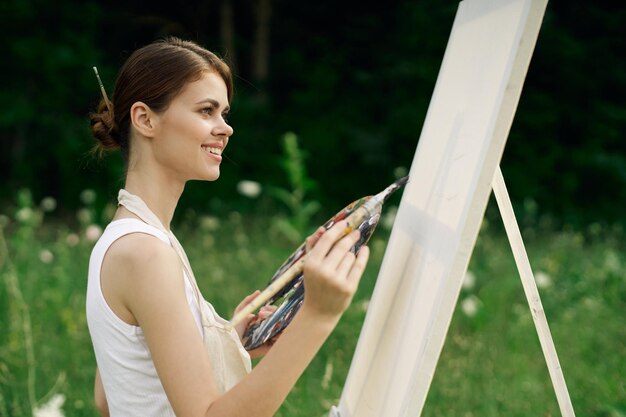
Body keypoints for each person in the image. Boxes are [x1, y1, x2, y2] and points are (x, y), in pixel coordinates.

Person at [86, 36, 370, 417]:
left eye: (224, 114)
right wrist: (318, 316)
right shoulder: (145, 253)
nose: (225, 128)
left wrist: (222, 343)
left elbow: (110, 398)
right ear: (145, 119)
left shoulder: (122, 241)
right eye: (206, 111)